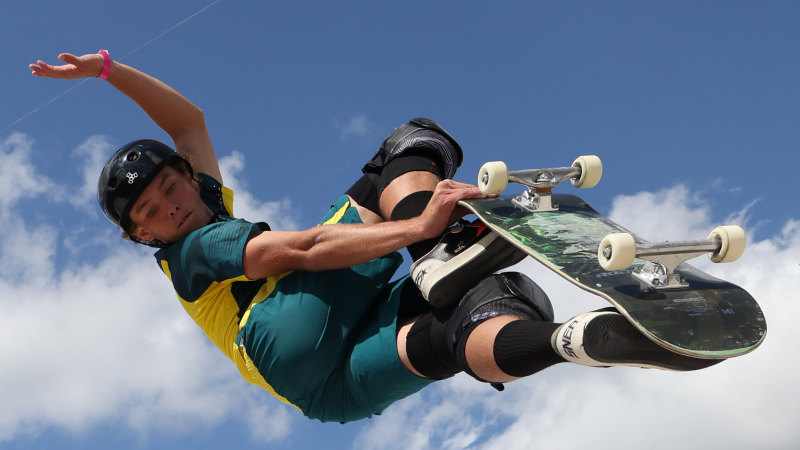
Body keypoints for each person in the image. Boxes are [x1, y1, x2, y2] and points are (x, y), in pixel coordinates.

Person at [30, 50, 720, 424]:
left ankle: (569, 342)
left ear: (187, 179)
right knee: (406, 148)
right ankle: (438, 247)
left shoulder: (200, 202)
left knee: (469, 323)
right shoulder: (190, 252)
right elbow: (292, 252)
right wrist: (415, 227)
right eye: (148, 213)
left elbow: (189, 123)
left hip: (326, 395)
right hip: (281, 329)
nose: (170, 209)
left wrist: (110, 71)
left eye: (171, 189)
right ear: (138, 236)